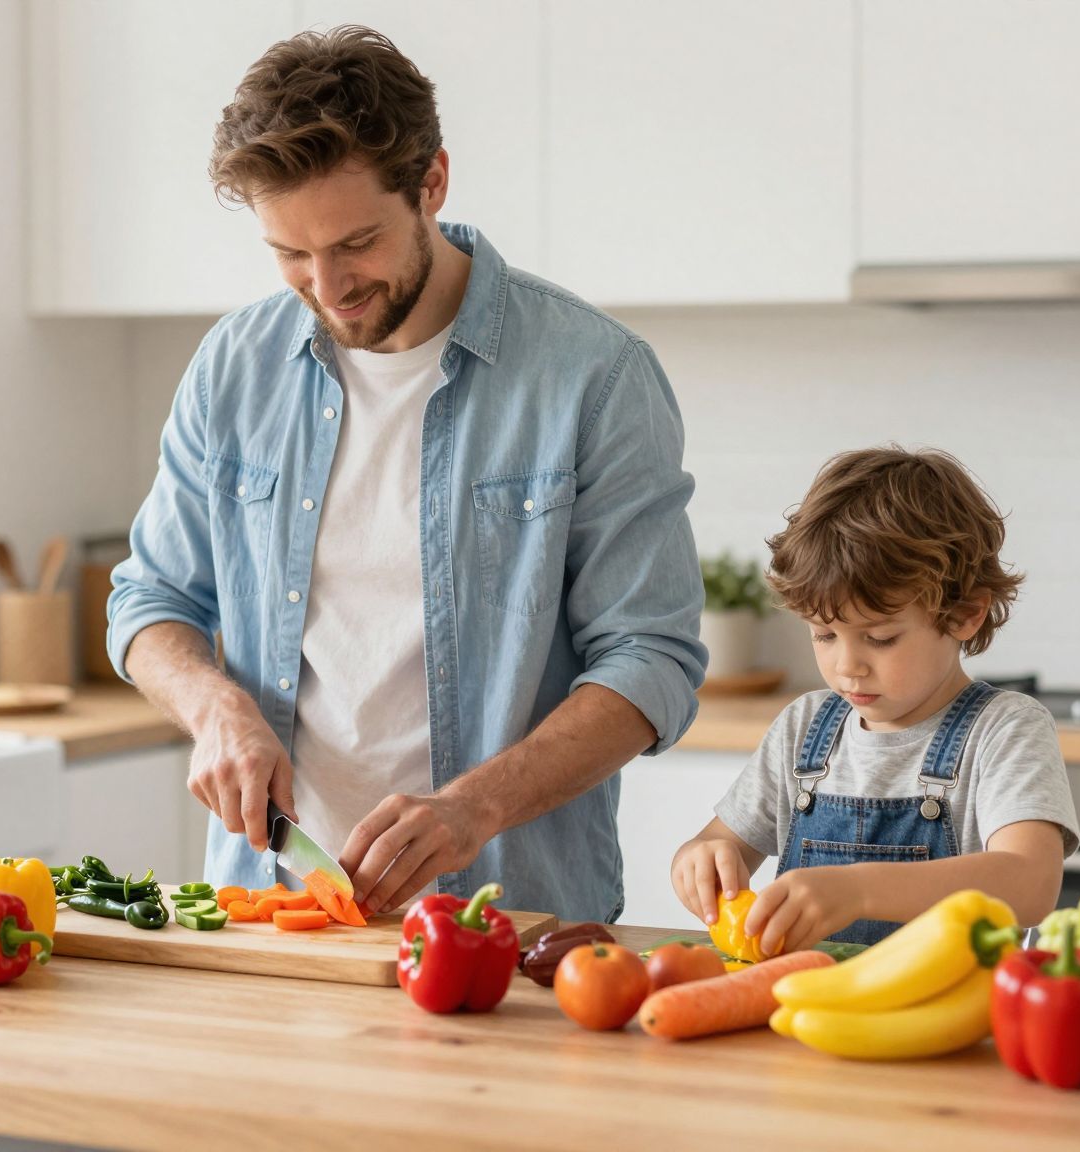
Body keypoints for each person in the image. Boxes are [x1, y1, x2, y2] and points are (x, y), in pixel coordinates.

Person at [107, 26, 705, 923]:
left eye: (356, 242)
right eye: (289, 253)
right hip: (273, 911)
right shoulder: (234, 367)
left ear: (432, 183)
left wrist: (476, 807)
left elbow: (652, 660)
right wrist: (214, 709)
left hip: (508, 918)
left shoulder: (594, 375)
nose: (327, 286)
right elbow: (150, 600)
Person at [671, 446, 1077, 953]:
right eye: (823, 635)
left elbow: (1031, 883)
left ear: (965, 614)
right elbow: (721, 842)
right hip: (804, 999)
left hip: (949, 1003)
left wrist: (860, 889)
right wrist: (701, 858)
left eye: (880, 638)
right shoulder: (804, 727)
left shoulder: (1005, 730)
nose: (848, 666)